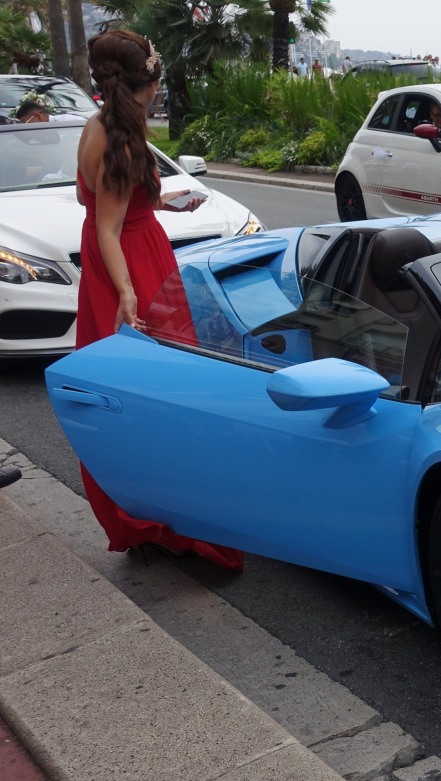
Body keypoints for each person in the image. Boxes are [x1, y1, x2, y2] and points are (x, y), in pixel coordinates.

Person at [74, 29, 243, 570]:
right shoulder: (121, 138)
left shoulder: (98, 126)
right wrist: (128, 292)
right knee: (165, 396)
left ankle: (142, 517)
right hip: (133, 267)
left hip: (123, 256)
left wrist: (162, 205)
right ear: (144, 84)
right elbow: (110, 225)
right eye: (156, 82)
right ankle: (172, 520)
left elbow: (114, 207)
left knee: (121, 396)